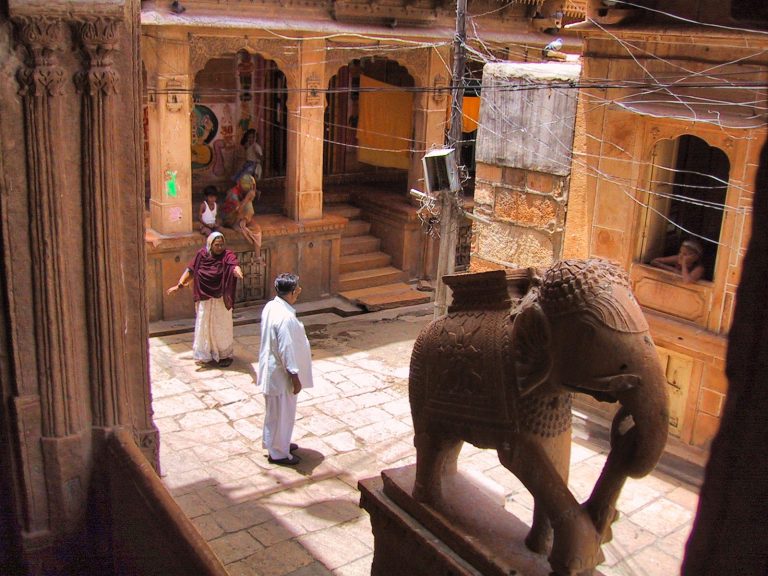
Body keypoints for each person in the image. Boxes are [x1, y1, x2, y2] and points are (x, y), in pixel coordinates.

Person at [258, 273, 314, 466]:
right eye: (297, 288)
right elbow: (286, 349)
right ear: (292, 292)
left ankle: (277, 442)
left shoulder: (272, 306)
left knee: (276, 413)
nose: (299, 291)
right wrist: (295, 377)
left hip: (273, 372)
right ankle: (278, 453)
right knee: (281, 414)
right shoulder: (284, 318)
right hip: (280, 376)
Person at [166, 232, 244, 367]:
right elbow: (190, 271)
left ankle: (224, 355)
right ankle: (204, 354)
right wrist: (179, 285)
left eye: (221, 245)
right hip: (205, 298)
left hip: (220, 299)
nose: (219, 248)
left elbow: (233, 265)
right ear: (210, 245)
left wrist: (237, 271)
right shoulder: (201, 255)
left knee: (221, 326)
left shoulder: (227, 255)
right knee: (204, 325)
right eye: (216, 245)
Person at [221, 174, 263, 259]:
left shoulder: (244, 192)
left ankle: (257, 256)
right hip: (229, 217)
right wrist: (247, 199)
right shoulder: (233, 194)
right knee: (248, 204)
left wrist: (253, 191)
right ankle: (238, 224)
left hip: (240, 216)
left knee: (256, 228)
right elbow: (238, 210)